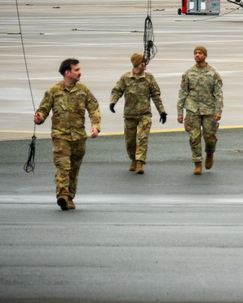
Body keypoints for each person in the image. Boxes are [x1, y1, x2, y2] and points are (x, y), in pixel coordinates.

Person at [33, 58, 101, 210]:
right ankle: (62, 195)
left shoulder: (83, 90)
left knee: (74, 169)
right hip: (60, 137)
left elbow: (94, 108)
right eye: (76, 70)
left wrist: (95, 126)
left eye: (79, 69)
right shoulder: (53, 91)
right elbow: (43, 109)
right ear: (67, 72)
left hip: (79, 137)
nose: (80, 72)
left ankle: (69, 197)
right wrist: (39, 118)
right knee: (63, 166)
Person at [109, 52, 167, 174]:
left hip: (144, 115)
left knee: (142, 138)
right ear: (136, 64)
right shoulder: (125, 78)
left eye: (145, 62)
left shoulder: (149, 78)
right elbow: (117, 91)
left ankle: (140, 163)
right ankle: (133, 160)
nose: (144, 64)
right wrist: (113, 102)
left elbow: (156, 96)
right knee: (129, 142)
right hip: (129, 115)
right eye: (142, 62)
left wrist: (162, 111)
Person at [177, 45, 224, 175]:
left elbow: (218, 94)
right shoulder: (188, 73)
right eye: (195, 53)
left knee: (210, 137)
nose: (197, 55)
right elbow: (182, 93)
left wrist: (218, 110)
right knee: (194, 137)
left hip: (209, 109)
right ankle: (197, 162)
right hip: (193, 109)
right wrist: (180, 113)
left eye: (199, 53)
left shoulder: (213, 73)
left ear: (205, 55)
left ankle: (209, 153)